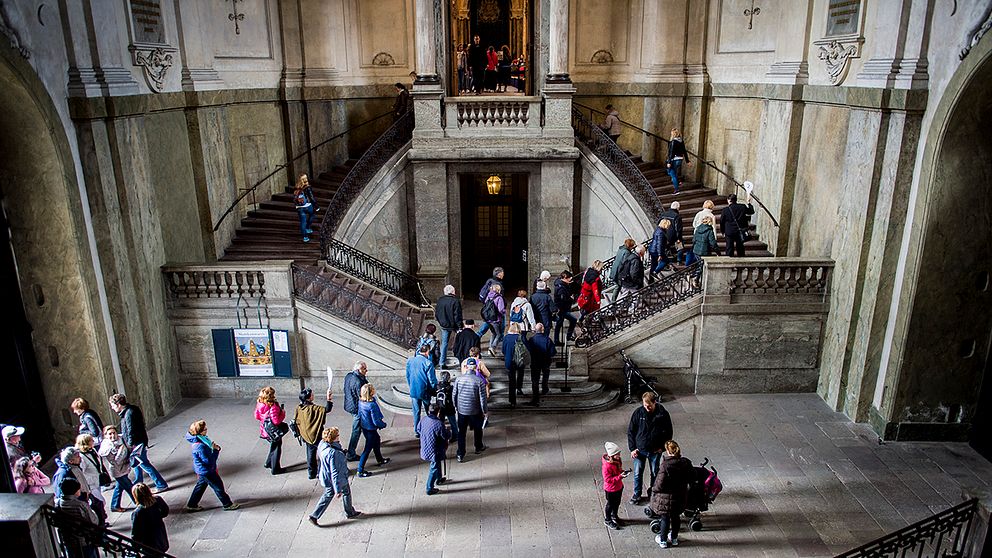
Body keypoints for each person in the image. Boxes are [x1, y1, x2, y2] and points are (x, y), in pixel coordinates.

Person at [109, 393, 168, 493]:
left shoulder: (129, 413)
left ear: (118, 404)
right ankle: (138, 481)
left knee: (145, 464)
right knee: (137, 464)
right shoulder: (131, 410)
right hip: (139, 442)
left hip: (136, 444)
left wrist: (130, 446)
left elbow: (131, 430)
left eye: (113, 405)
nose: (112, 408)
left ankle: (161, 484)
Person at [627, 392, 674, 505]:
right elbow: (631, 431)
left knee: (655, 472)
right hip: (640, 450)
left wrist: (662, 448)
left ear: (655, 402)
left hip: (654, 451)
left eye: (649, 406)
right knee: (638, 473)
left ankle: (653, 492)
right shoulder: (638, 413)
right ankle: (637, 494)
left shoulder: (663, 414)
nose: (647, 408)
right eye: (644, 405)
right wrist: (632, 448)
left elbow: (669, 433)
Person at [308, 427, 362, 525]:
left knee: (332, 494)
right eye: (337, 435)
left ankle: (315, 515)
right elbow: (335, 472)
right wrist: (337, 489)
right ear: (333, 438)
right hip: (336, 479)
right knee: (343, 493)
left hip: (325, 475)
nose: (339, 436)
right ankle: (348, 512)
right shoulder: (334, 453)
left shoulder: (322, 444)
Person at [183, 420, 239, 512]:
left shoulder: (200, 439)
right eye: (205, 429)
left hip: (202, 469)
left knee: (200, 486)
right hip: (207, 470)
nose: (206, 430)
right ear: (200, 431)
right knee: (218, 487)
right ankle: (227, 504)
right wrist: (216, 450)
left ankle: (192, 504)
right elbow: (209, 461)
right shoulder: (201, 446)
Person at [650, 440, 694, 548]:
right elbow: (692, 476)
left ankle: (663, 540)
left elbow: (659, 484)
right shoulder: (685, 463)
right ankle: (674, 538)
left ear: (668, 452)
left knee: (665, 518)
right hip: (679, 496)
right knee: (676, 517)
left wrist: (653, 490)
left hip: (665, 497)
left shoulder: (665, 465)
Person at [294, 387, 334, 480]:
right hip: (316, 434)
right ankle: (327, 470)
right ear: (308, 398)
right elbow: (327, 409)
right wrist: (329, 398)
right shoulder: (313, 408)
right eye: (312, 395)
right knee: (325, 450)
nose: (313, 395)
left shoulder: (299, 408)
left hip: (305, 434)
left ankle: (311, 473)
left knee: (310, 454)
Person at [452, 362, 487, 462]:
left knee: (462, 432)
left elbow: (454, 394)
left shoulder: (459, 379)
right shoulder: (479, 381)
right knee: (477, 429)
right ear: (475, 367)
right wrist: (485, 411)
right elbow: (482, 398)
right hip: (475, 410)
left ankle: (460, 453)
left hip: (462, 410)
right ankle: (478, 447)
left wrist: (456, 406)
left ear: (466, 367)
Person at [55, 478, 97, 558]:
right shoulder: (80, 505)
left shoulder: (58, 503)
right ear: (75, 491)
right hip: (83, 540)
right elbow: (93, 521)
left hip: (68, 539)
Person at [98, 425, 134, 512]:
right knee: (129, 487)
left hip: (125, 467)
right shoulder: (106, 446)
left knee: (119, 487)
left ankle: (115, 505)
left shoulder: (120, 439)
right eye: (110, 434)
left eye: (114, 433)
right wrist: (122, 450)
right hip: (117, 470)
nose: (113, 435)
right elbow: (115, 460)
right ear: (105, 435)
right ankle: (139, 502)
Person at [357, 384, 390, 477]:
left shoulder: (361, 401)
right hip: (371, 428)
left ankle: (380, 459)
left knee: (377, 440)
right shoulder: (371, 405)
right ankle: (360, 470)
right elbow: (375, 420)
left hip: (365, 427)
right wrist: (383, 424)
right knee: (367, 449)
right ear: (371, 392)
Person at [75, 434, 108, 525]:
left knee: (99, 502)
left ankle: (102, 518)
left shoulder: (92, 451)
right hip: (91, 484)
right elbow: (83, 472)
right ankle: (100, 519)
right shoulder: (82, 457)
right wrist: (89, 483)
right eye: (91, 441)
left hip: (97, 481)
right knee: (100, 502)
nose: (93, 441)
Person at [417, 403, 450, 495]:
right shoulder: (439, 424)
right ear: (438, 412)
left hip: (425, 446)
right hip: (435, 450)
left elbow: (418, 429)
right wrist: (448, 431)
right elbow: (445, 436)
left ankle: (439, 478)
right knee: (434, 467)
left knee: (437, 463)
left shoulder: (424, 419)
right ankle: (429, 488)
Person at [406, 343, 438, 436]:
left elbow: (408, 375)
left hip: (413, 390)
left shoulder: (410, 361)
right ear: (427, 351)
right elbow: (431, 379)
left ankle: (417, 430)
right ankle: (430, 427)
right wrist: (434, 389)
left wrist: (411, 385)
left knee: (416, 411)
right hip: (424, 390)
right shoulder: (428, 363)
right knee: (429, 410)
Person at [254, 386, 286, 475]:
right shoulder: (273, 406)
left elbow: (256, 416)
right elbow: (276, 421)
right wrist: (282, 413)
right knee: (276, 449)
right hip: (273, 431)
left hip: (265, 430)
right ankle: (275, 469)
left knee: (273, 446)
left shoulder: (260, 404)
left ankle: (268, 463)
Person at [131, 483, 170, 553]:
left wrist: (134, 546)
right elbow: (165, 511)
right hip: (160, 533)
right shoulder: (158, 499)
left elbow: (136, 532)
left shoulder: (138, 512)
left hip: (148, 540)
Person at [343, 362, 369, 461]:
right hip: (357, 408)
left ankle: (372, 440)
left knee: (361, 426)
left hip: (349, 405)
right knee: (356, 430)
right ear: (359, 370)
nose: (366, 371)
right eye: (365, 369)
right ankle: (351, 453)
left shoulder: (349, 376)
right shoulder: (359, 381)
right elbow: (363, 397)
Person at [525, 323, 556, 406]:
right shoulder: (547, 339)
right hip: (545, 361)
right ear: (543, 330)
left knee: (535, 381)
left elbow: (528, 349)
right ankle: (545, 389)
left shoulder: (532, 339)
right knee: (545, 375)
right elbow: (553, 352)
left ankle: (535, 398)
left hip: (535, 362)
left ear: (535, 330)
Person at [602, 441, 628, 530]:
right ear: (611, 456)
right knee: (610, 504)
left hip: (619, 486)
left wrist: (622, 472)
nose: (619, 455)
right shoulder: (607, 466)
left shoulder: (617, 460)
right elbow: (608, 480)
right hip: (611, 489)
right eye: (617, 454)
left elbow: (619, 470)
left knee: (617, 503)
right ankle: (608, 520)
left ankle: (614, 516)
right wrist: (620, 476)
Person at [436, 284, 463, 368]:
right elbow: (457, 315)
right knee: (460, 342)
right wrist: (460, 326)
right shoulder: (455, 301)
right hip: (454, 325)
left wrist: (440, 322)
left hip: (444, 325)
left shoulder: (440, 300)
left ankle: (442, 363)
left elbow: (437, 313)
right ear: (453, 292)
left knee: (444, 343)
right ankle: (461, 360)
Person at [502, 322, 527, 408]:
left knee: (511, 381)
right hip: (520, 361)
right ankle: (519, 388)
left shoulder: (506, 338)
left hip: (510, 361)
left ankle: (512, 401)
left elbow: (503, 350)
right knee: (520, 374)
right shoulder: (521, 337)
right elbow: (526, 349)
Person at [479, 283, 507, 356]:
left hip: (488, 319)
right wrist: (505, 311)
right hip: (495, 319)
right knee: (499, 334)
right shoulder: (499, 298)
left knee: (493, 333)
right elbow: (500, 310)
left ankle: (490, 349)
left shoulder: (488, 296)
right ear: (498, 290)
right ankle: (493, 347)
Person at [553, 271, 579, 345]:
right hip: (561, 309)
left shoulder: (563, 284)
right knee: (561, 323)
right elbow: (563, 299)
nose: (570, 281)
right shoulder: (561, 287)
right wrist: (570, 298)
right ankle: (558, 340)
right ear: (564, 278)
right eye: (569, 279)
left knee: (561, 324)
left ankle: (563, 338)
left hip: (563, 308)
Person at [434, 370, 459, 441]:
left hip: (441, 407)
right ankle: (455, 435)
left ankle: (441, 435)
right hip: (450, 407)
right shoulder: (450, 387)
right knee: (453, 422)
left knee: (441, 422)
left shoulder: (438, 386)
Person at [666, 128, 690, 194]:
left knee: (670, 172)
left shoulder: (673, 141)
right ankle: (677, 181)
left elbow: (671, 152)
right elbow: (684, 151)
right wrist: (687, 161)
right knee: (674, 172)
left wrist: (669, 162)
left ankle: (676, 190)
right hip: (680, 159)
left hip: (674, 159)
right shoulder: (681, 141)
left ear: (673, 134)